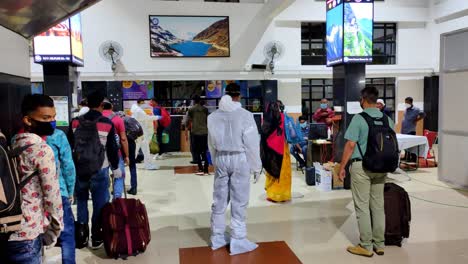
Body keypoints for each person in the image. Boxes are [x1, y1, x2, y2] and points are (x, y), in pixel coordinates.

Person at [1, 94, 63, 264]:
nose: (51, 121)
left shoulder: (13, 142)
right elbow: (52, 196)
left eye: (53, 117)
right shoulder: (42, 150)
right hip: (28, 233)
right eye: (46, 118)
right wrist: (55, 230)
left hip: (6, 227)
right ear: (28, 120)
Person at [338, 86, 395, 257]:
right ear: (376, 99)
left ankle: (366, 246)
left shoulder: (359, 118)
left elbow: (350, 145)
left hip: (362, 167)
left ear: (363, 100)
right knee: (378, 206)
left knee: (362, 207)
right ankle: (379, 244)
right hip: (382, 167)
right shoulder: (387, 119)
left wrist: (341, 168)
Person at [208, 83, 262, 255]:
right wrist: (256, 166)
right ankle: (238, 240)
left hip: (221, 157)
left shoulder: (213, 116)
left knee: (219, 198)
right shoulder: (245, 115)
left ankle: (217, 237)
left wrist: (216, 162)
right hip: (240, 158)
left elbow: (211, 144)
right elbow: (252, 143)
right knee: (239, 199)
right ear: (239, 96)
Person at [68, 92, 122, 249]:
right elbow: (112, 148)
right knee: (100, 203)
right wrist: (116, 168)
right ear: (101, 104)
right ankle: (97, 236)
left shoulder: (75, 122)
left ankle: (81, 235)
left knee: (82, 201)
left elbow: (71, 145)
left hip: (80, 169)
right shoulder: (107, 123)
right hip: (100, 169)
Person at [46, 128, 77, 264]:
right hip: (59, 191)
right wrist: (70, 191)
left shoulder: (19, 137)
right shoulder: (57, 135)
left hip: (32, 197)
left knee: (34, 239)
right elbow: (68, 165)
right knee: (67, 233)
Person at [261, 100, 292, 203]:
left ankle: (273, 194)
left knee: (272, 170)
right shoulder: (284, 117)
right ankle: (283, 195)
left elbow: (264, 134)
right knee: (283, 171)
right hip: (283, 149)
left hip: (270, 150)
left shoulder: (267, 119)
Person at [102, 99, 129, 199]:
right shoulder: (118, 119)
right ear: (112, 107)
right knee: (119, 175)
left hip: (101, 155)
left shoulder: (97, 119)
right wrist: (126, 155)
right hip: (116, 153)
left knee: (103, 177)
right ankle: (117, 199)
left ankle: (105, 200)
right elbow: (123, 139)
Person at [131, 99, 160, 170]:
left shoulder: (136, 110)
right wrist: (156, 117)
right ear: (138, 103)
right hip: (139, 134)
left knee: (144, 150)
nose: (144, 104)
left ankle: (147, 165)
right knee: (138, 150)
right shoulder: (138, 111)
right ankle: (132, 164)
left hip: (141, 134)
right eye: (142, 103)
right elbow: (146, 118)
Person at [188, 95, 209, 175]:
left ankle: (200, 168)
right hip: (204, 132)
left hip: (195, 132)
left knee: (197, 151)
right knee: (204, 151)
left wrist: (187, 129)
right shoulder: (205, 109)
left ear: (193, 101)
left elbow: (189, 121)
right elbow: (207, 120)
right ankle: (206, 169)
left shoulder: (191, 110)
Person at [402, 97, 426, 162]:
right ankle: (406, 156)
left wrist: (417, 119)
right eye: (405, 102)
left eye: (407, 102)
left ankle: (413, 158)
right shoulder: (406, 109)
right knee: (406, 144)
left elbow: (423, 114)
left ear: (411, 102)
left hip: (411, 130)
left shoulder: (416, 109)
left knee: (411, 145)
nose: (406, 103)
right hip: (404, 129)